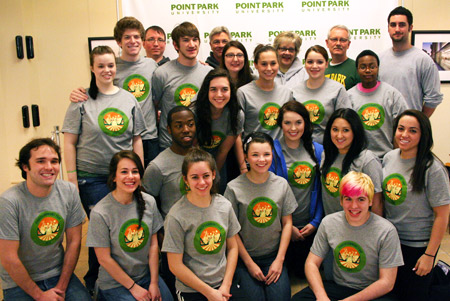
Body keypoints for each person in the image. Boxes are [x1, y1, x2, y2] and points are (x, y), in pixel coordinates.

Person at [62, 45, 146, 292]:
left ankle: (116, 278)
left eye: (110, 65)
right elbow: (69, 141)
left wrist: (137, 172)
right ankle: (95, 282)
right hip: (92, 178)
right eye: (101, 65)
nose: (107, 70)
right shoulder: (81, 100)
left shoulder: (128, 99)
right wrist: (72, 180)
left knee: (121, 226)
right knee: (104, 228)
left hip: (123, 177)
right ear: (92, 68)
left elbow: (136, 138)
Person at [0, 138, 91, 300]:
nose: (49, 167)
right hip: (18, 281)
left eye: (54, 161)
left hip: (57, 274)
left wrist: (61, 287)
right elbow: (8, 258)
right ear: (25, 166)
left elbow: (74, 242)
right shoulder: (9, 202)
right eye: (41, 161)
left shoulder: (69, 192)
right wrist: (40, 296)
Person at [292, 171, 403, 301]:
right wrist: (321, 296)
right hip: (338, 287)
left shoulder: (387, 231)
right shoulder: (328, 223)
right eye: (348, 199)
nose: (354, 206)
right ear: (341, 200)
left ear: (371, 201)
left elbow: (387, 283)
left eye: (361, 199)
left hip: (371, 291)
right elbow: (311, 263)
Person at [70, 17, 159, 167]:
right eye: (127, 37)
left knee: (147, 186)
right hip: (122, 138)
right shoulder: (111, 66)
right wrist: (77, 92)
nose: (133, 41)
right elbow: (97, 91)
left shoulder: (151, 65)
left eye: (136, 37)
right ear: (119, 41)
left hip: (148, 137)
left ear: (142, 40)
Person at [86, 150, 172, 301]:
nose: (130, 177)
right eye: (124, 172)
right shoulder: (100, 213)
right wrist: (133, 288)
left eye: (135, 172)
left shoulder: (149, 202)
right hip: (115, 283)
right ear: (114, 177)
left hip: (146, 276)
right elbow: (104, 259)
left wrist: (153, 282)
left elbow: (153, 246)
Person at [382, 109, 450, 300]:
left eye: (413, 131)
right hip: (392, 241)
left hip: (417, 246)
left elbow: (442, 216)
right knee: (393, 292)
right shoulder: (389, 158)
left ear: (423, 135)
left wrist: (429, 255)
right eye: (401, 129)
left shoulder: (432, 168)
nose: (404, 135)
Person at [224, 132, 297, 301]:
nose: (261, 160)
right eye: (255, 155)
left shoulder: (281, 184)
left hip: (273, 256)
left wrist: (279, 260)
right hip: (244, 259)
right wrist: (249, 264)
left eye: (266, 154)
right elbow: (232, 232)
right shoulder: (233, 188)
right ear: (246, 157)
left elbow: (287, 223)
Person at [162, 148, 240, 301]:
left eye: (206, 176)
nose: (202, 182)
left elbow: (233, 247)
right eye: (195, 177)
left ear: (213, 175)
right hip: (192, 289)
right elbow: (175, 265)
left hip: (223, 283)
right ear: (186, 180)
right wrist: (210, 294)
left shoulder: (224, 206)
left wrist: (226, 285)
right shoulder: (176, 215)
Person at [142, 106, 196, 297]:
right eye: (179, 125)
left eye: (190, 124)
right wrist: (160, 233)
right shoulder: (158, 166)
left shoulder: (203, 158)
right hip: (174, 242)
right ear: (169, 129)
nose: (186, 130)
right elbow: (145, 203)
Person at [269, 100, 324, 279]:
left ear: (306, 124)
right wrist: (288, 226)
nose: (293, 128)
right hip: (282, 230)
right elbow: (270, 195)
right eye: (287, 123)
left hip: (310, 228)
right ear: (280, 124)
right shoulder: (272, 152)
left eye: (298, 122)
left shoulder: (318, 151)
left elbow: (324, 192)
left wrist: (316, 222)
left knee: (306, 276)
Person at [152, 21, 212, 149]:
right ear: (175, 44)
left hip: (199, 144)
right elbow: (155, 104)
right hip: (169, 145)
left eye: (195, 39)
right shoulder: (162, 73)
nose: (192, 45)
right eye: (185, 40)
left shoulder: (209, 73)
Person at [379, 6, 443, 117]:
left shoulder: (423, 60)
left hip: (409, 130)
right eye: (393, 25)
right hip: (384, 129)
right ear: (388, 28)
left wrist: (417, 122)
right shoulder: (379, 59)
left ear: (410, 27)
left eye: (402, 25)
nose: (397, 29)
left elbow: (433, 99)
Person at [321, 108, 383, 216]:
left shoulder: (367, 160)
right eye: (335, 129)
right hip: (332, 225)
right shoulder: (326, 155)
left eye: (345, 130)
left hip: (360, 226)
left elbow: (377, 203)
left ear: (355, 131)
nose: (339, 135)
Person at [348, 49, 408, 159]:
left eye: (372, 66)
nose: (368, 70)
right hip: (358, 158)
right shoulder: (349, 96)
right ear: (357, 70)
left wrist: (397, 155)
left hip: (387, 157)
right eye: (363, 67)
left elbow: (402, 128)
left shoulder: (392, 94)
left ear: (378, 68)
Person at [194, 68, 245, 191]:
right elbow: (193, 149)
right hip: (194, 161)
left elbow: (223, 151)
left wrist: (212, 176)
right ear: (206, 91)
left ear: (231, 92)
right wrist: (203, 176)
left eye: (224, 89)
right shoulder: (194, 112)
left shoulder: (236, 114)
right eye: (213, 89)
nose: (219, 95)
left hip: (217, 162)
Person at [292, 45, 351, 144]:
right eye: (310, 62)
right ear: (304, 64)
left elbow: (346, 123)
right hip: (301, 147)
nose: (314, 66)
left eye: (320, 62)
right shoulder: (295, 91)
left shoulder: (337, 89)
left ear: (327, 64)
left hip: (330, 148)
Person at [237, 44, 293, 141]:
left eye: (273, 63)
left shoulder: (287, 93)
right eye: (264, 64)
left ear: (278, 64)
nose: (269, 68)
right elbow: (237, 132)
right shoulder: (243, 93)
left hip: (279, 152)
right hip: (253, 153)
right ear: (255, 65)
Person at [324, 25, 360, 90]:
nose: (338, 43)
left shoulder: (356, 68)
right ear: (327, 43)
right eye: (334, 39)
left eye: (343, 40)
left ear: (348, 44)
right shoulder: (321, 68)